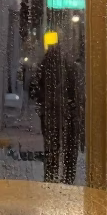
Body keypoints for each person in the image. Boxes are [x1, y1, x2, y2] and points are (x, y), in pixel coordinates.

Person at [29, 45, 82, 184]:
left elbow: (34, 89)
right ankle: (68, 180)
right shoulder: (71, 66)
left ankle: (51, 179)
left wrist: (43, 103)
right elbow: (76, 93)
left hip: (50, 113)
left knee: (52, 150)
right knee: (69, 150)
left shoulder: (44, 65)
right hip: (65, 114)